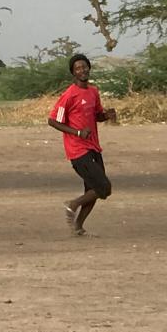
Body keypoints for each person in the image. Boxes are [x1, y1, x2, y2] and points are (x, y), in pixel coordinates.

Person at [47, 53, 116, 236]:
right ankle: (73, 204)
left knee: (94, 190)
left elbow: (96, 115)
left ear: (89, 68)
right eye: (78, 68)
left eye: (84, 67)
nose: (82, 70)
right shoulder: (68, 96)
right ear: (73, 73)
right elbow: (53, 121)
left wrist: (107, 115)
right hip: (78, 150)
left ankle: (78, 226)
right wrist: (77, 132)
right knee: (104, 187)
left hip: (94, 147)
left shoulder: (93, 91)